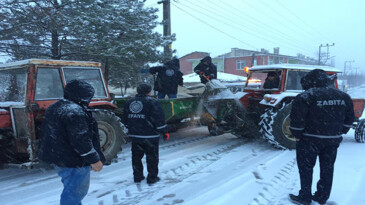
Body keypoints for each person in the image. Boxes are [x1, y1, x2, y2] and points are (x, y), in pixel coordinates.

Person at [289, 69, 354, 205]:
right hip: (332, 140)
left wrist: (297, 134)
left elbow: (297, 120)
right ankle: (322, 196)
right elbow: (349, 119)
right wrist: (340, 131)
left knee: (306, 168)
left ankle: (305, 197)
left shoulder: (305, 96)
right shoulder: (344, 96)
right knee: (327, 168)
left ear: (310, 81)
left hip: (308, 140)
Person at [38, 79, 105, 205]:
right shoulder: (75, 111)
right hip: (73, 160)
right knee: (75, 193)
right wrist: (94, 160)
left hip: (59, 157)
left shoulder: (55, 106)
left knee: (70, 188)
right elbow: (81, 140)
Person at [122, 83, 169, 184]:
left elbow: (125, 119)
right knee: (152, 158)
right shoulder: (152, 102)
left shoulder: (129, 102)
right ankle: (152, 178)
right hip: (150, 136)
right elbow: (159, 118)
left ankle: (138, 177)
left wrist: (131, 128)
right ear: (149, 91)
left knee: (136, 158)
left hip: (135, 135)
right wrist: (164, 131)